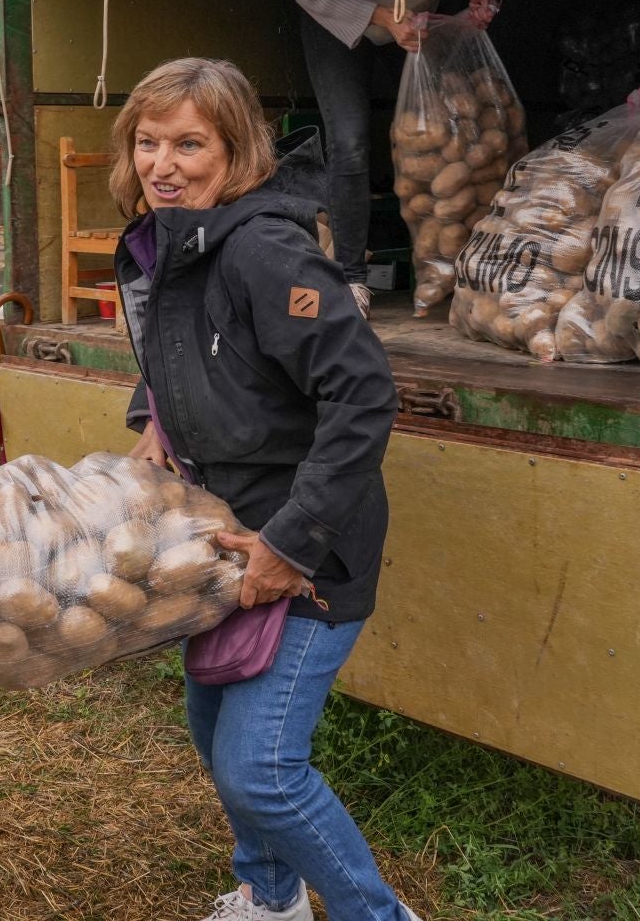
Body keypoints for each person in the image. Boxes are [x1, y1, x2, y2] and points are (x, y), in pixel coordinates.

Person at [109, 58, 414, 921]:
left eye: (189, 144)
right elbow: (177, 356)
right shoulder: (173, 240)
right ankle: (270, 898)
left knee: (262, 769)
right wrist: (156, 420)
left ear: (237, 152)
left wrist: (289, 542)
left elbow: (362, 391)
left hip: (311, 545)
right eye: (148, 142)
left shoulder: (262, 247)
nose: (162, 164)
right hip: (223, 539)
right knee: (215, 735)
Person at [294, 0, 507, 314]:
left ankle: (457, 265)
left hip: (406, 22)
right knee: (350, 140)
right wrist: (382, 18)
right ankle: (350, 277)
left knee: (445, 127)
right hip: (337, 18)